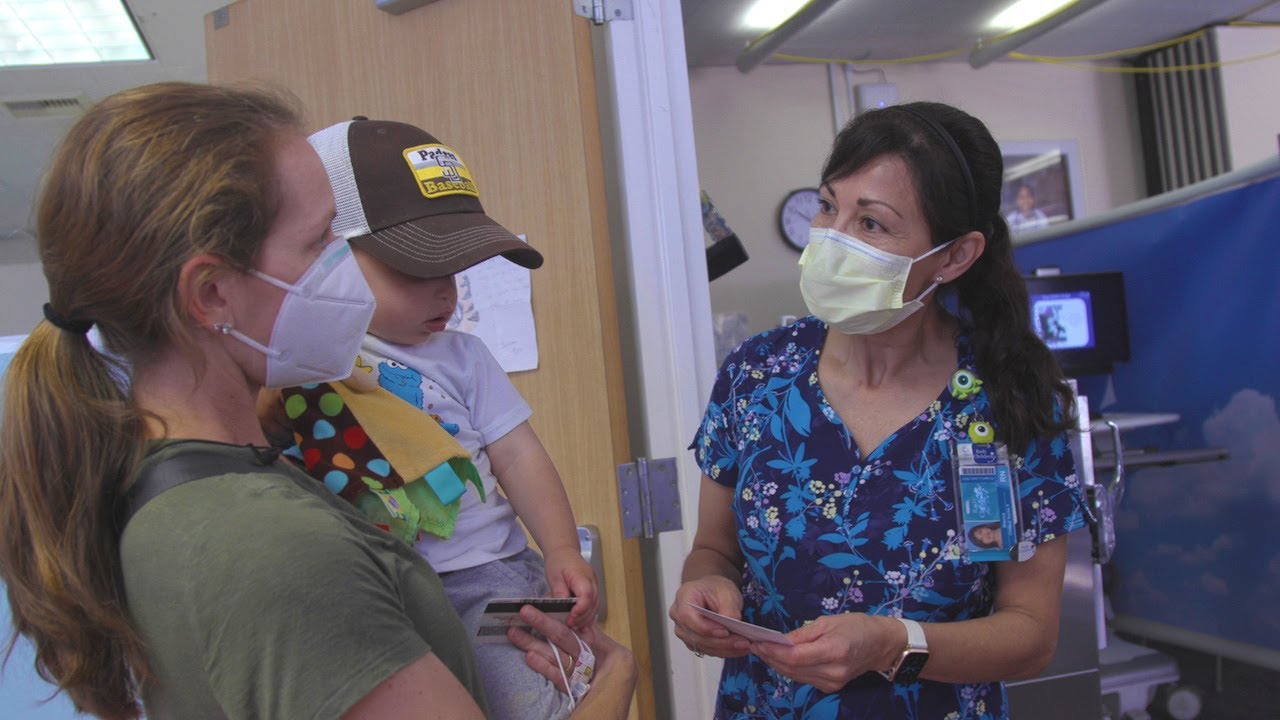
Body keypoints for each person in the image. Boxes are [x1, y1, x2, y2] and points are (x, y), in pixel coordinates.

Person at [0, 81, 634, 720]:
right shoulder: (272, 545)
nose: (345, 265)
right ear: (212, 294)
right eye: (319, 240)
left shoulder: (181, 488)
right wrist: (615, 680)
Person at [668, 101, 1085, 719]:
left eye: (871, 224)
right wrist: (705, 586)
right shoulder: (758, 376)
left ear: (954, 256)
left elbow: (1030, 633)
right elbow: (714, 548)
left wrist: (896, 645)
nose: (832, 239)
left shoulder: (1005, 399)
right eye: (828, 206)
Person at [258, 118, 599, 720]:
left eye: (454, 270)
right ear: (330, 257)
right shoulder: (296, 362)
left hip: (484, 580)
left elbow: (519, 455)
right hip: (374, 591)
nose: (446, 292)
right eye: (416, 270)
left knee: (524, 704)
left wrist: (562, 547)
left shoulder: (463, 357)